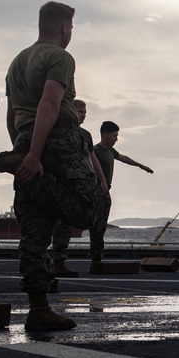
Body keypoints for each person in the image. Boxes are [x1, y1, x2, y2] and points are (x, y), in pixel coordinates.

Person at [0, 1, 100, 332]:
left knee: (35, 231)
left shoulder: (17, 62)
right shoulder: (60, 57)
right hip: (55, 141)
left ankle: (38, 306)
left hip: (23, 138)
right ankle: (39, 180)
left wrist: (21, 150)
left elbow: (12, 116)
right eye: (72, 28)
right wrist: (35, 156)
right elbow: (49, 104)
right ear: (64, 28)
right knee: (86, 210)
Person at [49, 99, 108, 278]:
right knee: (62, 224)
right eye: (80, 111)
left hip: (83, 184)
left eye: (85, 112)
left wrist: (102, 180)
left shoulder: (85, 135)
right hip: (63, 184)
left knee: (90, 220)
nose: (83, 115)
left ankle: (95, 258)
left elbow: (92, 158)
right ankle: (57, 260)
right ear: (70, 111)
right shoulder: (58, 131)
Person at [88, 120, 152, 269]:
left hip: (106, 191)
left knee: (102, 226)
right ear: (105, 134)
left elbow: (123, 158)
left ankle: (97, 256)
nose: (116, 139)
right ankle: (95, 257)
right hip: (96, 190)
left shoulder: (111, 151)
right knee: (96, 226)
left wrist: (141, 166)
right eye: (114, 135)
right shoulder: (95, 150)